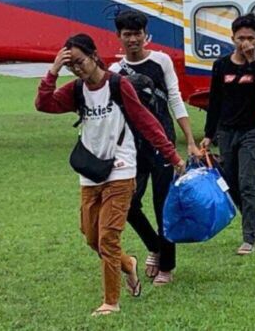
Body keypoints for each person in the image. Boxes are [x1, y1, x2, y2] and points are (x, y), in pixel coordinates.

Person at [35, 34, 184, 316]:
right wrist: (53, 71)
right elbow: (44, 104)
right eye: (71, 66)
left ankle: (111, 302)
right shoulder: (76, 90)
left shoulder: (118, 85)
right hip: (91, 172)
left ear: (93, 56)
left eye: (80, 62)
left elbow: (146, 122)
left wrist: (172, 156)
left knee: (107, 238)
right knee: (91, 237)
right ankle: (128, 264)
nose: (77, 69)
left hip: (121, 170)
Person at [110, 10, 201, 285]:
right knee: (127, 203)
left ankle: (167, 267)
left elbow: (175, 99)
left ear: (145, 35)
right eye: (128, 35)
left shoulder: (161, 61)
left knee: (163, 206)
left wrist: (190, 141)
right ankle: (154, 246)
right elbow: (114, 113)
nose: (133, 39)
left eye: (138, 34)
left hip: (162, 144)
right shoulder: (114, 72)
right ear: (119, 37)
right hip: (131, 148)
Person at [200, 14, 255, 255]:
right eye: (241, 38)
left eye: (250, 38)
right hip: (226, 132)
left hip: (252, 131)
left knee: (247, 183)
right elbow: (215, 101)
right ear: (232, 38)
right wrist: (209, 134)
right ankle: (254, 222)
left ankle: (249, 238)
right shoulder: (221, 65)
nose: (245, 43)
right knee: (230, 185)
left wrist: (253, 61)